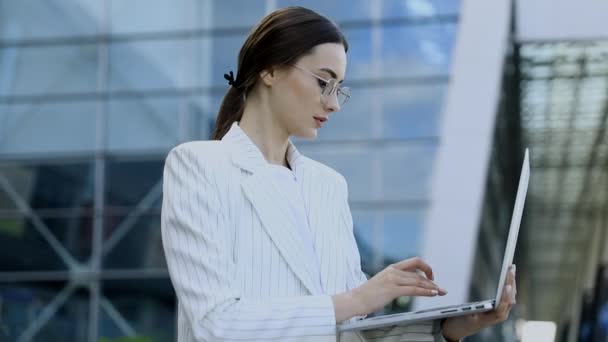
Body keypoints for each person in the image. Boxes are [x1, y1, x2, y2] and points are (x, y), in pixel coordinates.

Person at [160, 6, 517, 342]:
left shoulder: (328, 186)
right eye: (323, 82)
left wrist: (451, 328)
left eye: (338, 89)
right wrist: (359, 298)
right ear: (269, 70)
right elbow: (215, 324)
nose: (332, 103)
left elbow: (352, 331)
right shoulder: (198, 166)